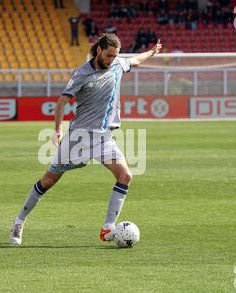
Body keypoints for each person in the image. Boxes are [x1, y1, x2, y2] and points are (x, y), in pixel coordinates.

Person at [10, 33, 162, 245]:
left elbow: (135, 60)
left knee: (125, 176)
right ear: (99, 50)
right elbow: (62, 102)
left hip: (104, 138)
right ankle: (19, 220)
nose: (112, 60)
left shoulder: (118, 65)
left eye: (115, 55)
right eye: (109, 55)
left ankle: (108, 227)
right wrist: (57, 130)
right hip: (78, 139)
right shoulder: (82, 73)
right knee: (48, 180)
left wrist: (152, 52)